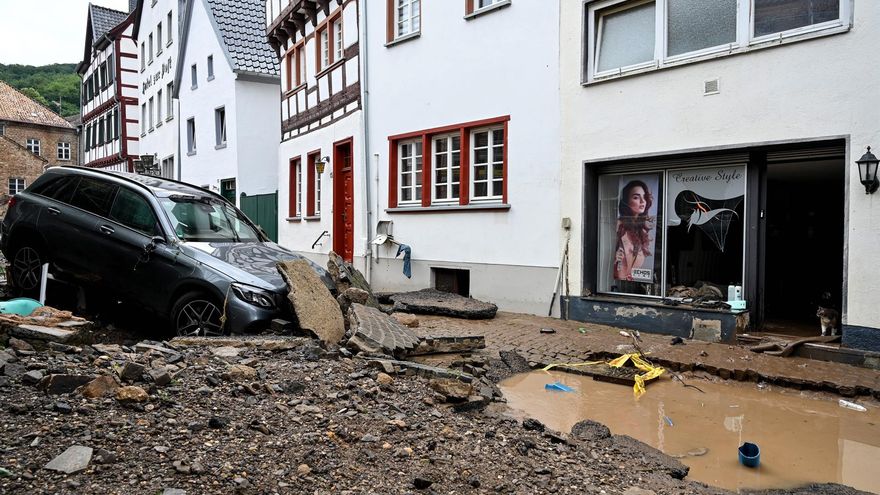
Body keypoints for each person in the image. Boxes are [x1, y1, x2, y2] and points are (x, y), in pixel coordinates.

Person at [613, 180, 654, 281]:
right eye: (636, 197)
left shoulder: (642, 231)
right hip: (615, 284)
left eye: (644, 197)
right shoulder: (618, 226)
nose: (642, 201)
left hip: (630, 283)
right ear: (626, 201)